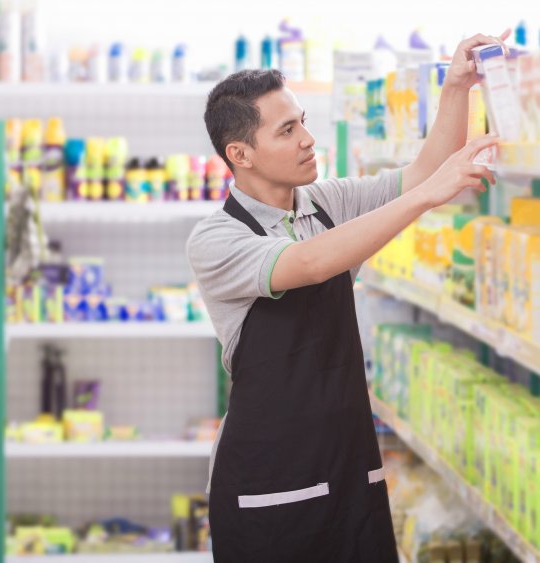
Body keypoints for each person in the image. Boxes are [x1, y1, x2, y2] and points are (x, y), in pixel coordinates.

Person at [188, 31, 508, 563]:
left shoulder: (327, 203)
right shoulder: (217, 240)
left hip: (349, 466)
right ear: (239, 153)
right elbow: (311, 264)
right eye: (287, 130)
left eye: (304, 122)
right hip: (269, 483)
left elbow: (421, 174)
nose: (308, 140)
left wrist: (457, 89)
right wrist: (428, 197)